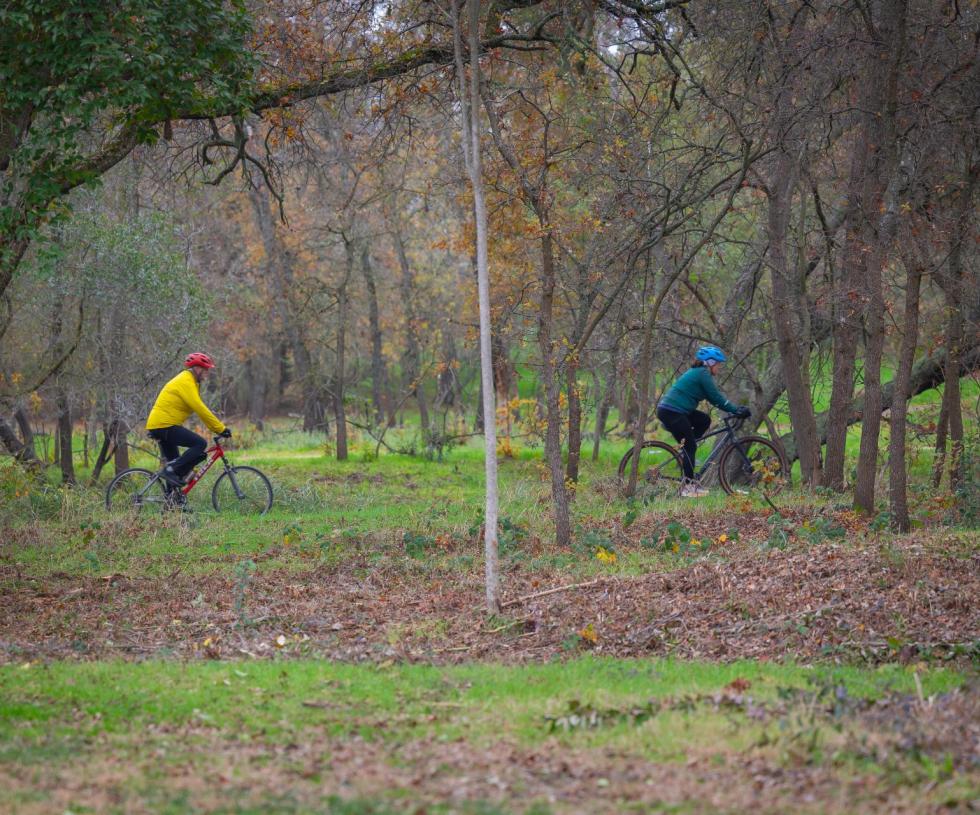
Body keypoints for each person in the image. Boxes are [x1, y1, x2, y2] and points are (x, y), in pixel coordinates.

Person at [656, 346, 750, 498]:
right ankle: (688, 487)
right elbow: (715, 397)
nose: (719, 368)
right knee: (690, 446)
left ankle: (687, 452)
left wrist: (733, 409)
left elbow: (714, 398)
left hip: (675, 410)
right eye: (718, 364)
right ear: (710, 362)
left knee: (704, 420)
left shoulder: (699, 373)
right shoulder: (702, 373)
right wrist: (735, 410)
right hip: (672, 411)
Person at [146, 353, 231, 500]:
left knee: (175, 468)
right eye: (206, 369)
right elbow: (200, 408)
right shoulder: (186, 381)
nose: (207, 373)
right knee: (200, 443)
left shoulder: (190, 381)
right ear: (198, 369)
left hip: (162, 425)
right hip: (164, 425)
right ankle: (171, 472)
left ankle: (172, 502)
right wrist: (220, 428)